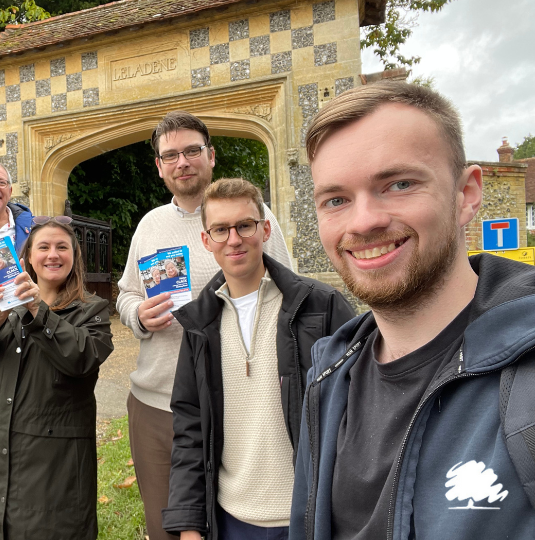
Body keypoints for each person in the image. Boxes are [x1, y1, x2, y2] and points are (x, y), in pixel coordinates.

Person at [289, 81, 535, 540]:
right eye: (336, 200)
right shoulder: (327, 375)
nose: (363, 221)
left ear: (466, 194)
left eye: (399, 184)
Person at [116, 111, 293, 540]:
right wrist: (137, 316)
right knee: (169, 528)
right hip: (158, 404)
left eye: (192, 150)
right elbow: (124, 294)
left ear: (211, 156)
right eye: (171, 155)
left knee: (233, 520)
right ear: (159, 167)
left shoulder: (252, 217)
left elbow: (289, 295)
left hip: (239, 401)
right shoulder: (150, 225)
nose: (183, 162)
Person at [164, 178, 355, 540]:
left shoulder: (322, 307)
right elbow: (190, 426)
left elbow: (359, 412)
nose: (233, 239)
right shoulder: (198, 324)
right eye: (220, 229)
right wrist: (189, 524)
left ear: (265, 229)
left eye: (244, 225)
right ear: (206, 240)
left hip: (310, 516)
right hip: (231, 519)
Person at [0, 216, 114, 540]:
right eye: (44, 247)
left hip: (48, 488)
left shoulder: (91, 310)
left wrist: (38, 311)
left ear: (74, 257)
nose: (53, 254)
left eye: (62, 247)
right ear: (26, 259)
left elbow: (83, 357)